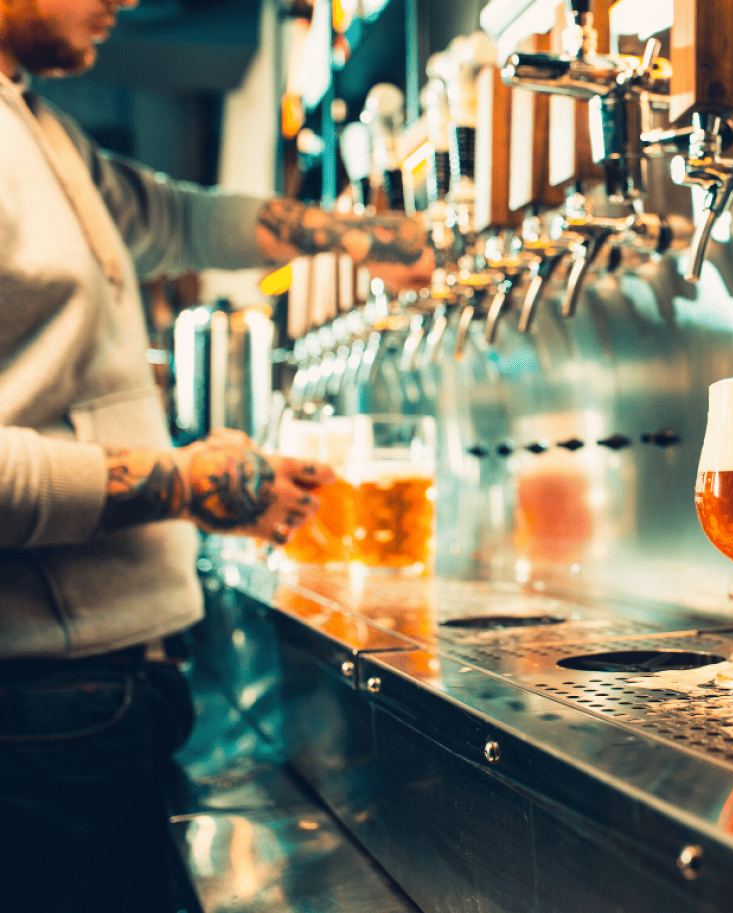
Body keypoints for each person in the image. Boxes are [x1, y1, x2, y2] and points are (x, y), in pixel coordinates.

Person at [0, 1, 436, 910]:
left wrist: (359, 237)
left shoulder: (35, 121)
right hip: (38, 703)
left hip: (107, 688)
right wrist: (184, 481)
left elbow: (174, 218)